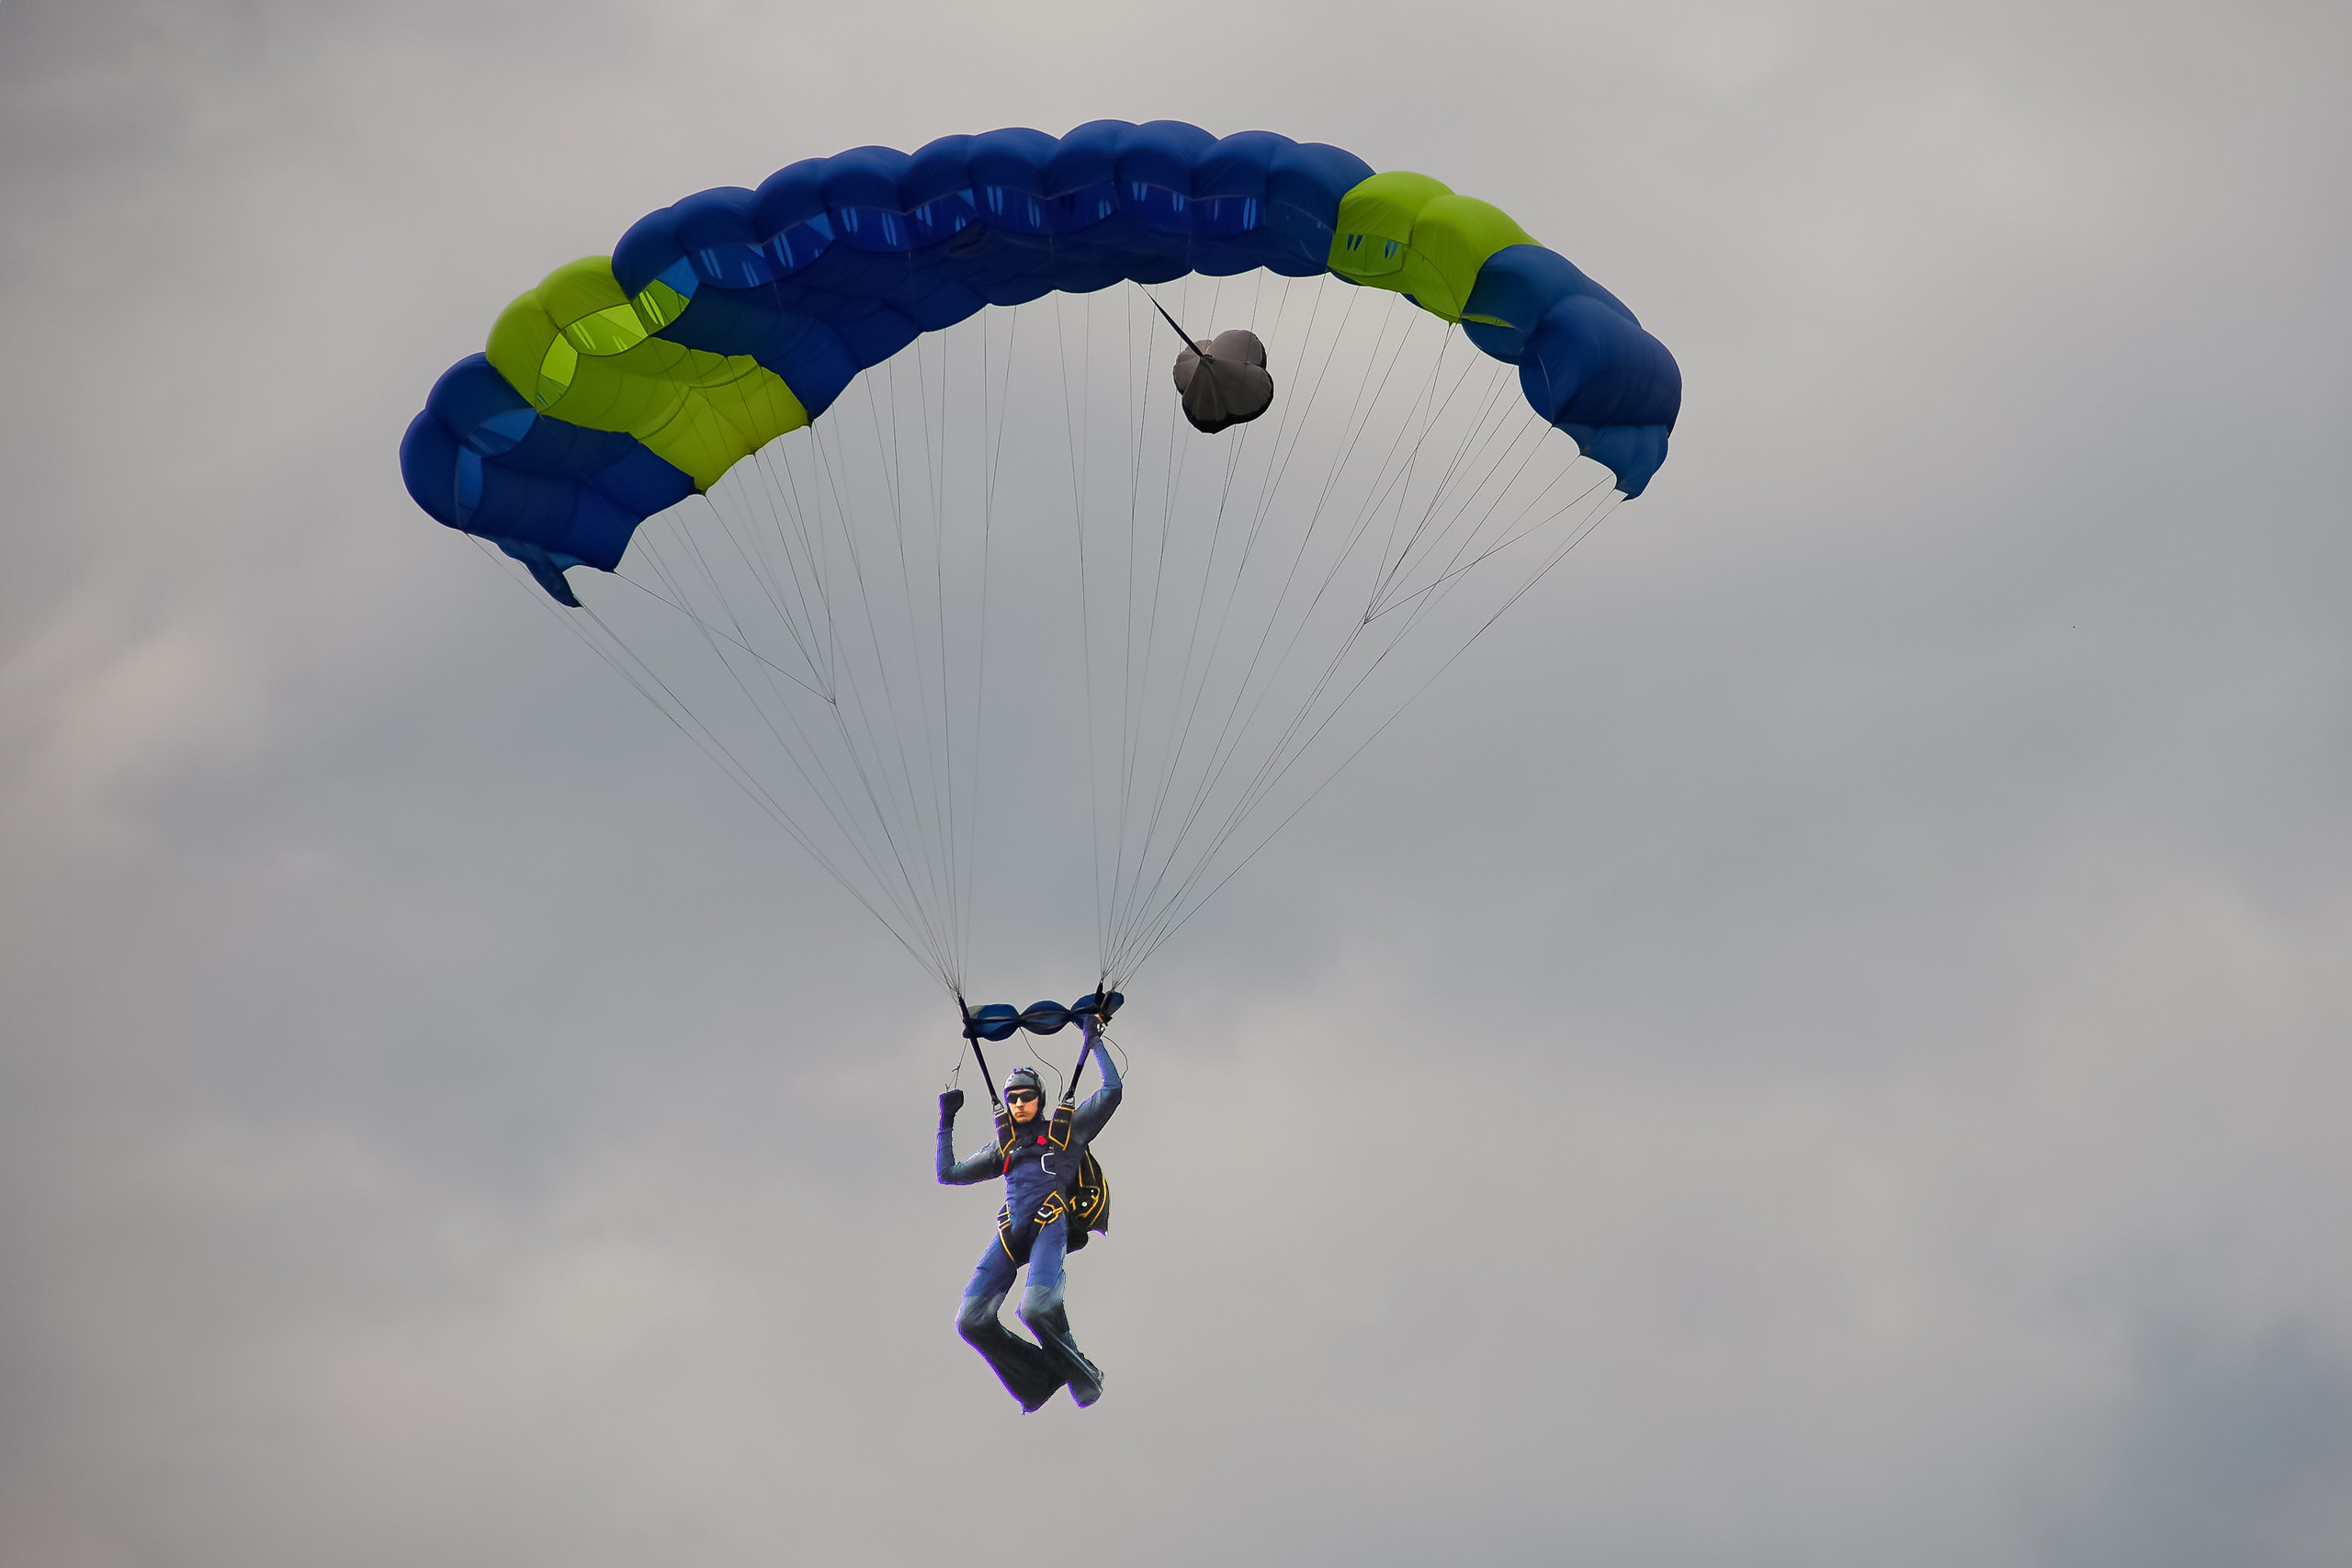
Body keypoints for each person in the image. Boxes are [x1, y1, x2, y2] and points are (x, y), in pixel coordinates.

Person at [937, 1021, 1122, 1410]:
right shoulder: (1002, 1148)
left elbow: (1111, 1092)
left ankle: (1084, 1373)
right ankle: (1038, 1380)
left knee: (1036, 1308)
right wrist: (946, 1120)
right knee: (970, 1321)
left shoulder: (1065, 1131)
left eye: (1026, 1097)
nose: (1019, 1104)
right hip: (1011, 1233)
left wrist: (1094, 1041)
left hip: (1049, 1226)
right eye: (1012, 1098)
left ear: (1040, 1099)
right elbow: (948, 1174)